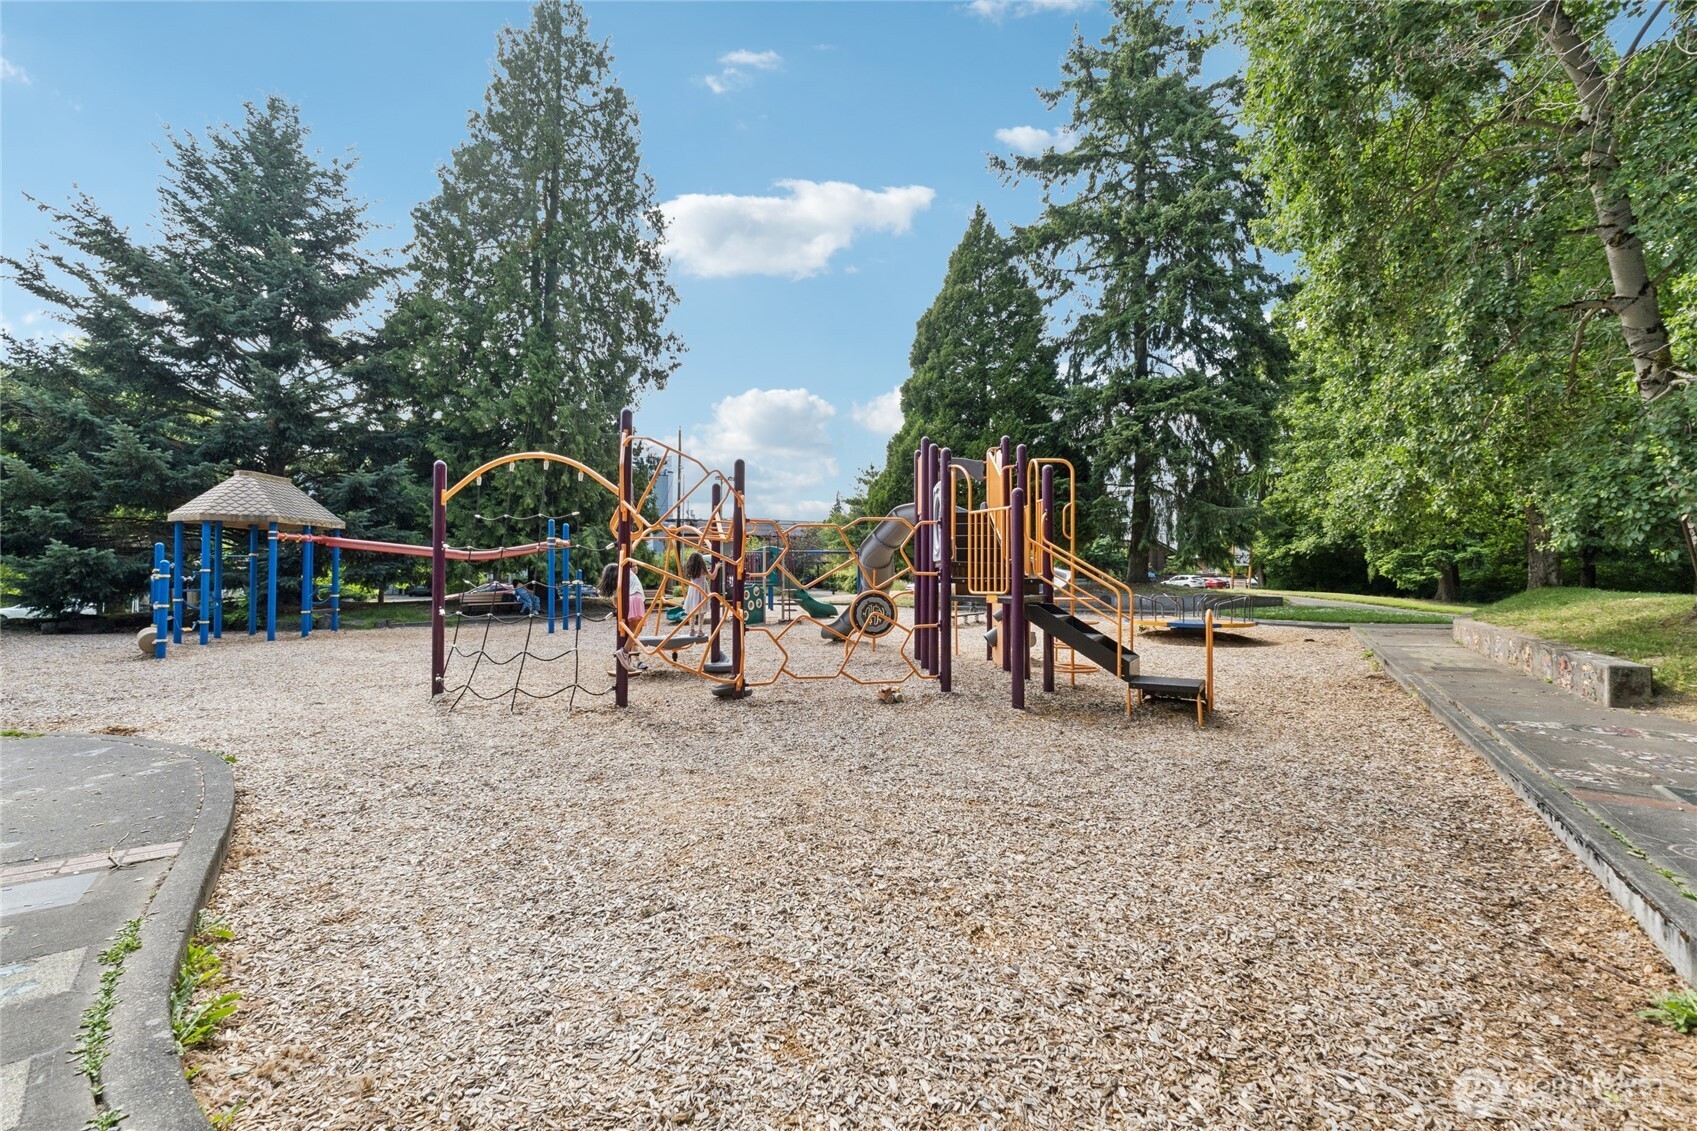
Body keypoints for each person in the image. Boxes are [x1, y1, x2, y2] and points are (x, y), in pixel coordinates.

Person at [599, 561, 647, 674]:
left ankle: (627, 655)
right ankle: (624, 652)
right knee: (637, 628)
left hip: (631, 599)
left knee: (632, 629)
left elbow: (615, 601)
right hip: (636, 597)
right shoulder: (625, 573)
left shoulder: (619, 580)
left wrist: (620, 611)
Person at [681, 551, 711, 630]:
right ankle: (700, 630)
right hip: (702, 590)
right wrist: (717, 567)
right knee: (701, 612)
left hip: (693, 591)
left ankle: (692, 630)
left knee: (693, 611)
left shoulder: (691, 570)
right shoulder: (703, 570)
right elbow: (712, 577)